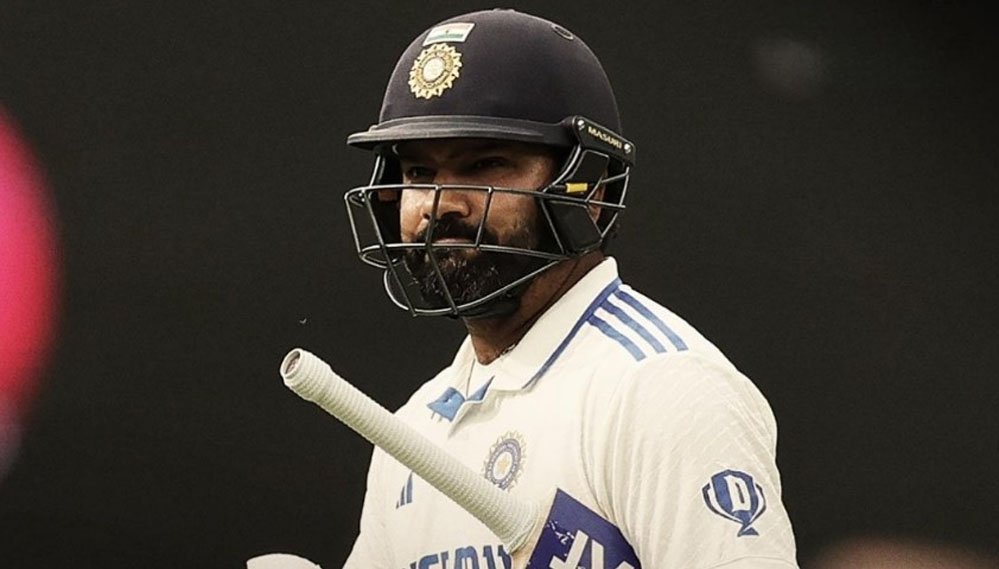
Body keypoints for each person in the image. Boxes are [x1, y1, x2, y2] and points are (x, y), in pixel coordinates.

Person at [340, 9, 798, 568]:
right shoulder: (418, 425)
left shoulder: (659, 388)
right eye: (418, 173)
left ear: (590, 190)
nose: (443, 204)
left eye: (486, 164)